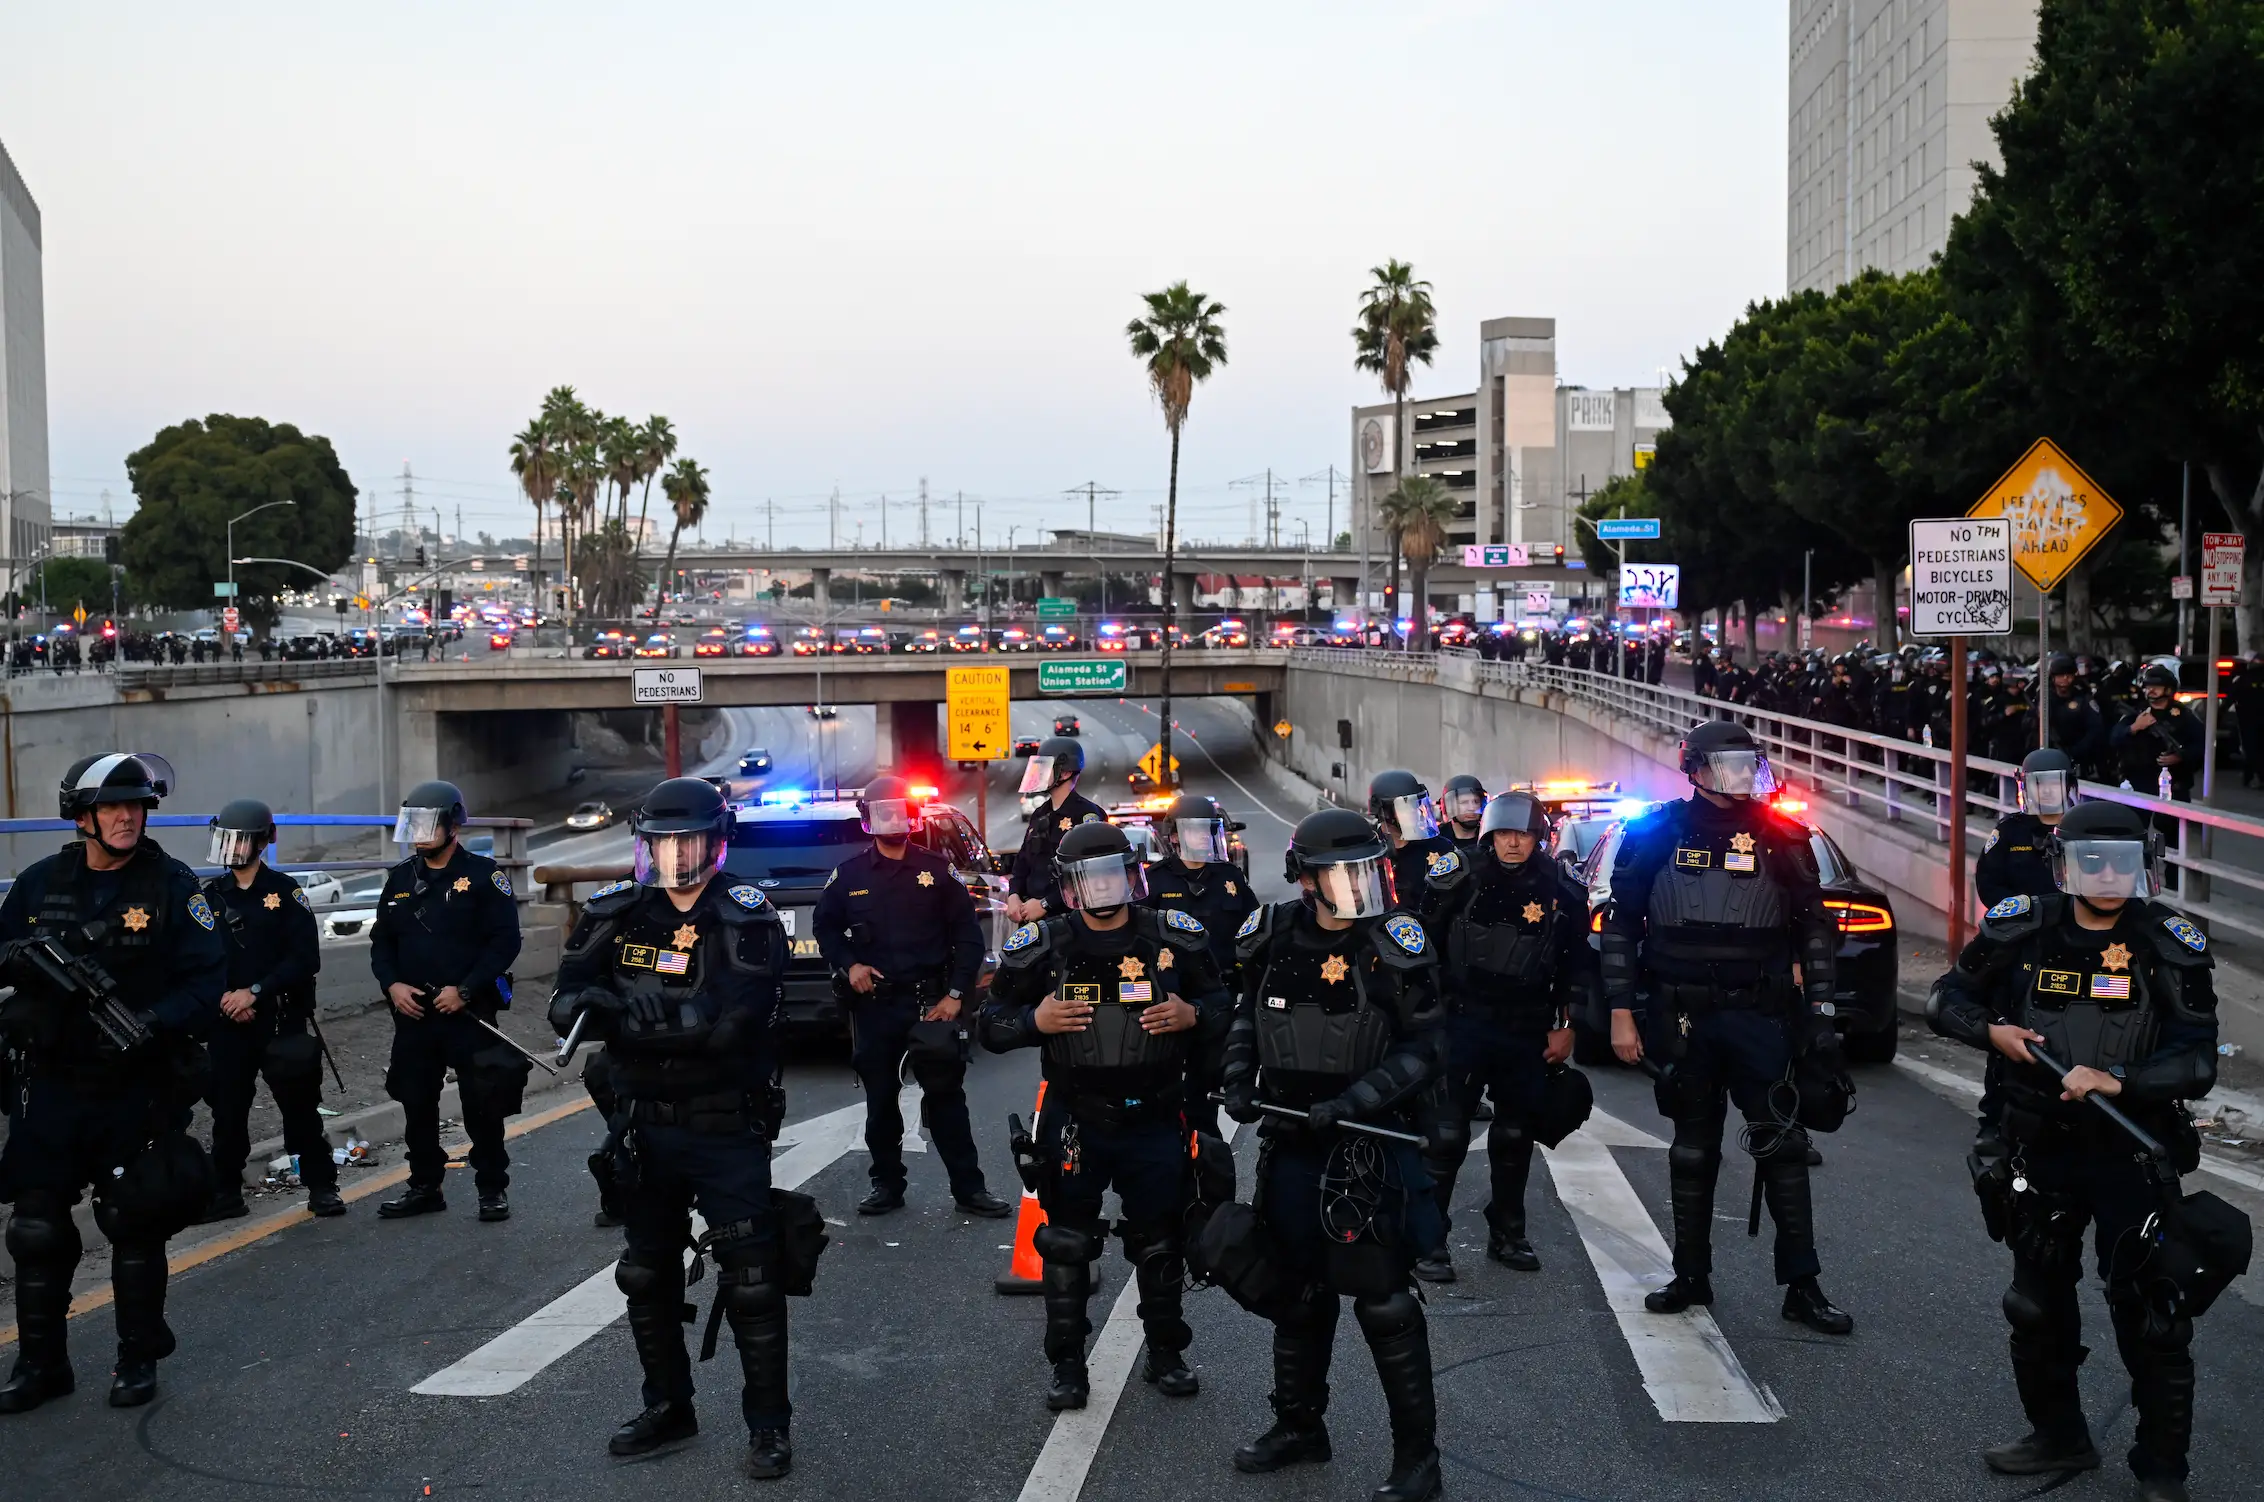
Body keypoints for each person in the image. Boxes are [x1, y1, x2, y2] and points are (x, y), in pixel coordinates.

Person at [1925, 800, 2221, 1502]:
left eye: (2123, 861)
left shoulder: (2168, 941)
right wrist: (1988, 1032)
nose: (2108, 875)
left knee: (2150, 1313)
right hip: (2037, 1147)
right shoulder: (2020, 926)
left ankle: (2161, 1470)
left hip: (2130, 1150)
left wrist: (2122, 1081)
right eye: (2092, 860)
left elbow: (2199, 1060)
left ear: (2145, 864)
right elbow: (1945, 999)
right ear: (2067, 864)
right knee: (2036, 1302)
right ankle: (2059, 1434)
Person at [549, 777, 800, 1480]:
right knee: (645, 1273)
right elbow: (563, 998)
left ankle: (769, 1427)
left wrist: (626, 1020)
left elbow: (727, 1027)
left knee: (753, 1278)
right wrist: (588, 999)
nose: (675, 856)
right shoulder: (617, 912)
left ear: (715, 843)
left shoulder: (745, 916)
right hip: (643, 1128)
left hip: (723, 1127)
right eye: (663, 842)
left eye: (688, 841)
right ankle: (668, 1405)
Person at [1217, 807, 1447, 1502]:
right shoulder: (1270, 932)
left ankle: (1418, 1463)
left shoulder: (1396, 942)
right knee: (1296, 1291)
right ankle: (1299, 1426)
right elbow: (1243, 1015)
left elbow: (1427, 1050)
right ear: (1306, 878)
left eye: (1365, 869)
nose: (1357, 884)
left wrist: (1356, 1102)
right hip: (1290, 1139)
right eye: (1340, 872)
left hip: (1369, 1148)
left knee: (1383, 1303)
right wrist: (1235, 1078)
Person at [1600, 720, 1854, 1334]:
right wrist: (1620, 1012)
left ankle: (1803, 1285)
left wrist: (1821, 1014)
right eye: (1728, 764)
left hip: (1759, 1013)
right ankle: (1691, 1275)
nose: (1742, 775)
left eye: (1748, 763)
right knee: (1692, 1150)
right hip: (1680, 1013)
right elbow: (1621, 925)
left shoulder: (1782, 834)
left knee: (1783, 1147)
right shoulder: (1653, 831)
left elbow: (1814, 929)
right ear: (1696, 768)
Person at [0, 753, 227, 1413]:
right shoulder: (42, 885)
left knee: (133, 1223)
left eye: (137, 807)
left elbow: (207, 982)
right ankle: (42, 1365)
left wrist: (153, 1022)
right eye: (112, 807)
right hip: (51, 1084)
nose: (128, 817)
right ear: (82, 815)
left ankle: (135, 1359)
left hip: (135, 1082)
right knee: (36, 1226)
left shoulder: (173, 887)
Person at [979, 821, 1229, 1412]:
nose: (1103, 889)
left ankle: (1166, 1353)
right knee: (1066, 1245)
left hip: (1157, 1114)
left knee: (1161, 1241)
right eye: (1090, 879)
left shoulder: (1174, 935)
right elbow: (990, 1023)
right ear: (1069, 886)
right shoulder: (1044, 944)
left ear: (1133, 873)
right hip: (1075, 1118)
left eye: (1114, 874)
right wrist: (1032, 1025)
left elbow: (1225, 1004)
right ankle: (1067, 1366)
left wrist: (1193, 1014)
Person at [1413, 790, 1595, 1282]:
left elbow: (1577, 961)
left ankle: (1508, 1230)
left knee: (1515, 1135)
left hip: (1526, 1024)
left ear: (1539, 836)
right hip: (1462, 1022)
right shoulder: (1457, 875)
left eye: (1523, 833)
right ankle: (1429, 1240)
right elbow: (1415, 944)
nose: (1513, 843)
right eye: (1504, 834)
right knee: (1446, 1137)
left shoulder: (1561, 885)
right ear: (1490, 835)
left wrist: (1568, 1026)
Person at [812, 775, 1007, 1219]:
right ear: (868, 819)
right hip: (876, 1006)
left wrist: (957, 994)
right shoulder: (849, 876)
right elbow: (824, 928)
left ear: (911, 816)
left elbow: (968, 936)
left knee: (946, 1101)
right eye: (882, 813)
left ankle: (969, 1190)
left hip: (932, 1004)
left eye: (898, 811)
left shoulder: (938, 870)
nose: (892, 821)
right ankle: (886, 1185)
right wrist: (850, 965)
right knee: (880, 1103)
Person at [369, 780, 525, 1223]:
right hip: (415, 1013)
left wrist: (468, 989)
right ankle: (424, 1186)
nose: (419, 833)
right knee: (416, 1102)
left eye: (427, 824)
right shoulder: (401, 878)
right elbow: (381, 943)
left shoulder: (482, 875)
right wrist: (392, 986)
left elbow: (504, 942)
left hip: (468, 1012)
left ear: (452, 825)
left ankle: (492, 1188)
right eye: (412, 823)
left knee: (483, 1103)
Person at [194, 798, 338, 1222]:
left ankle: (322, 1186)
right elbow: (200, 958)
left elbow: (303, 959)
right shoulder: (210, 897)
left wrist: (254, 992)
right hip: (228, 1023)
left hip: (279, 1019)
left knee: (299, 1110)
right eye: (227, 839)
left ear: (263, 841)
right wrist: (226, 998)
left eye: (242, 840)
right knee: (228, 1112)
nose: (234, 848)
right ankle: (226, 1193)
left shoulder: (286, 892)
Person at [1139, 791, 1259, 1137]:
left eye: (1209, 830)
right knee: (1163, 1094)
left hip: (1217, 1001)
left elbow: (1252, 931)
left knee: (1205, 1096)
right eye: (1195, 831)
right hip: (1168, 1001)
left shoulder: (1229, 879)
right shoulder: (1155, 880)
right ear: (1174, 836)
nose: (1203, 838)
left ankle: (1207, 1172)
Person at [1005, 736, 1109, 922]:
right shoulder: (1039, 814)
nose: (1038, 773)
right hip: (1033, 920)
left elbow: (1088, 877)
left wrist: (1046, 904)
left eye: (1044, 767)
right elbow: (1022, 863)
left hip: (1069, 922)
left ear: (1065, 773)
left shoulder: (1087, 815)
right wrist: (1013, 895)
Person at [1366, 769, 1451, 904]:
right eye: (1406, 807)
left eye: (1416, 805)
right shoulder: (1368, 852)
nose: (1415, 812)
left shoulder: (1441, 847)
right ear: (1385, 812)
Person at [2231, 649, 2264, 788]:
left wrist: (2217, 717)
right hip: (2252, 719)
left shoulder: (2243, 678)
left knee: (2251, 749)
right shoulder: (2244, 678)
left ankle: (2252, 777)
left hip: (2248, 720)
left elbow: (2231, 697)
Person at [1437, 774, 1488, 854]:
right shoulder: (1437, 839)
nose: (1472, 808)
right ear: (1450, 806)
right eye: (1464, 802)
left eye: (1476, 802)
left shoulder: (1489, 837)